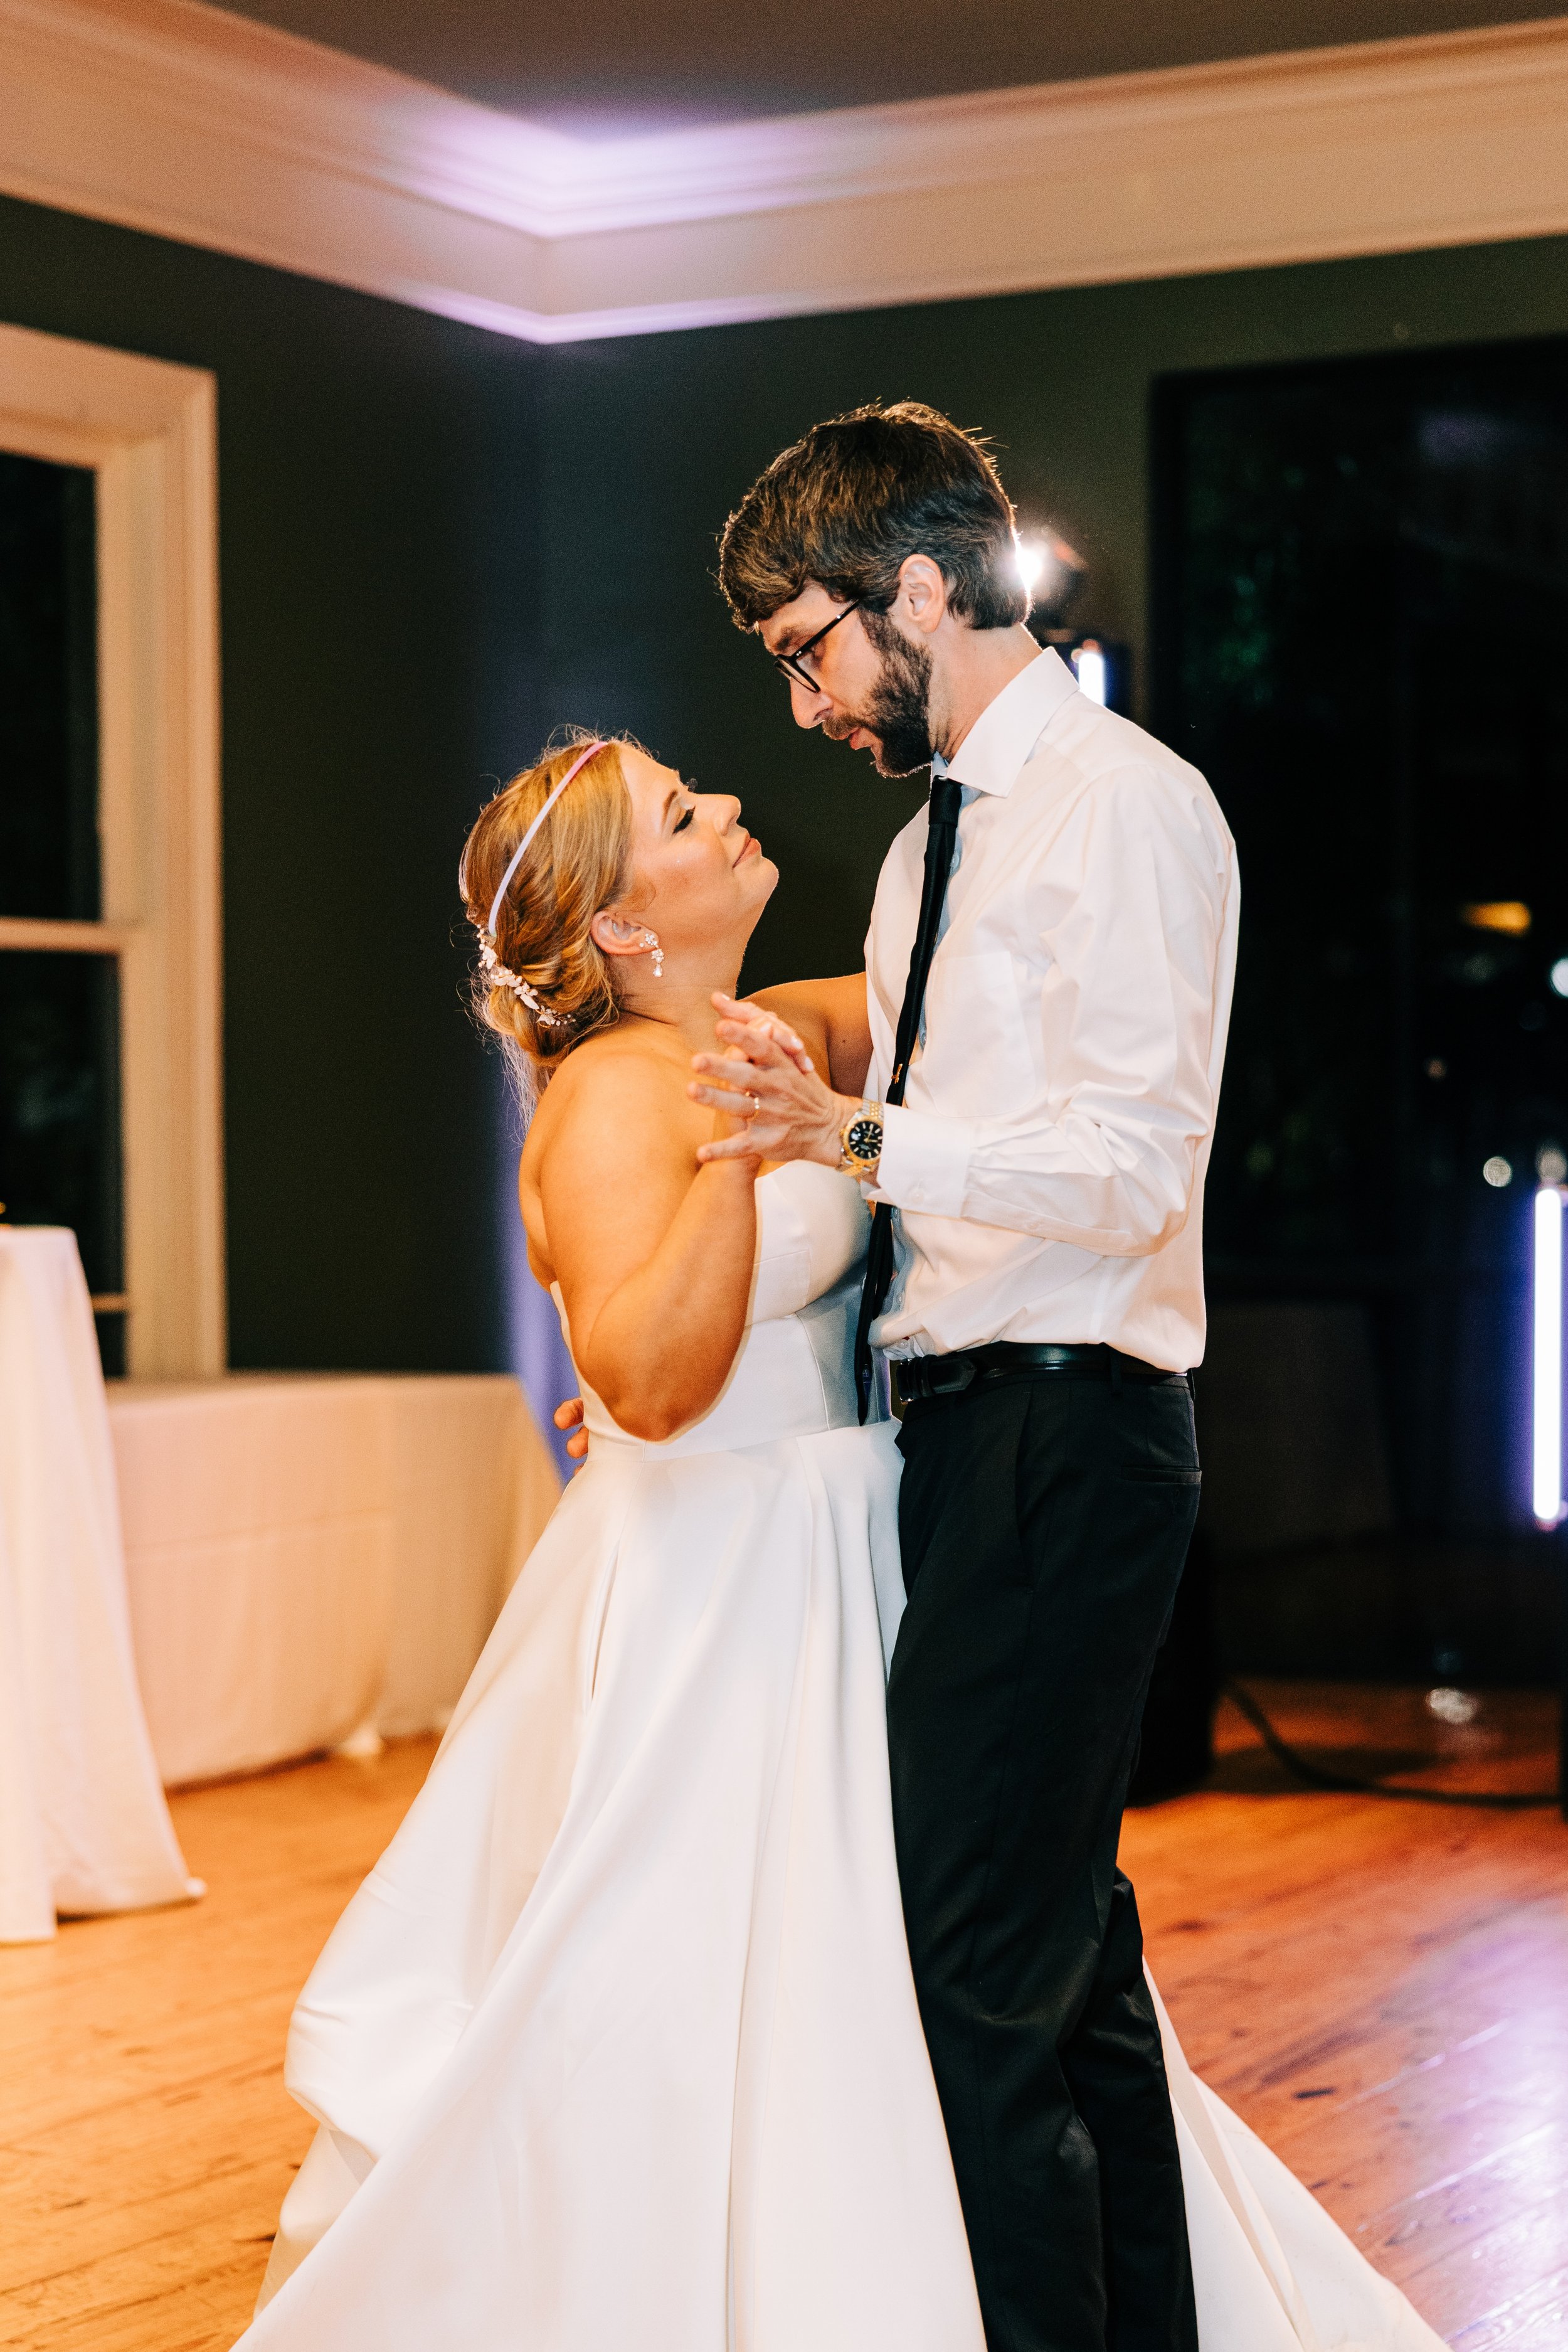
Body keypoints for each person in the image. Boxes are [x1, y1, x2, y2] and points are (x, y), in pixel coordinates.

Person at [234, 726, 1445, 2351]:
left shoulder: (746, 1028)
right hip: (723, 1587)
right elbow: (648, 1384)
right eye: (680, 813)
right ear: (618, 928)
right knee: (739, 1968)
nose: (728, 804)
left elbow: (945, 995)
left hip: (857, 1543)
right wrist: (748, 1159)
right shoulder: (608, 1098)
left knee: (946, 1944)